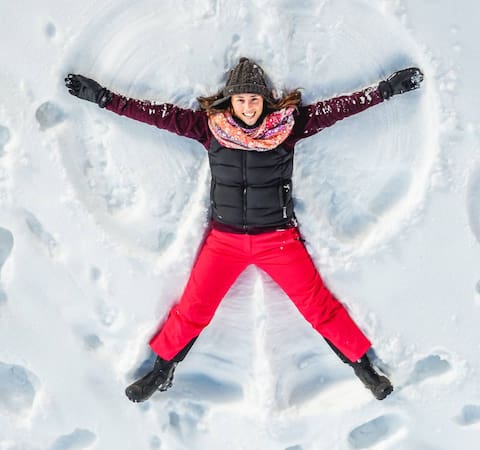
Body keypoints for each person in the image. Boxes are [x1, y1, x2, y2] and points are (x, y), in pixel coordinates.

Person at [65, 57, 423, 401]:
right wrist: (102, 97)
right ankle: (161, 370)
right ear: (230, 101)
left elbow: (339, 108)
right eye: (241, 100)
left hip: (279, 240)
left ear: (265, 101)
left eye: (254, 100)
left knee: (318, 307)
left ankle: (364, 369)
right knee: (193, 308)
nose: (248, 107)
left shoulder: (287, 126)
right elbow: (152, 114)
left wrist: (386, 90)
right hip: (225, 241)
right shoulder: (210, 127)